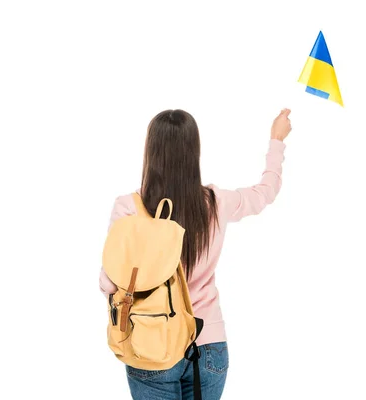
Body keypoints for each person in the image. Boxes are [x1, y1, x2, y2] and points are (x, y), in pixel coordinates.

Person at [99, 108, 292, 400]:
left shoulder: (129, 208)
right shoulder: (217, 202)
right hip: (208, 346)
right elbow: (266, 190)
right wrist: (276, 139)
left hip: (151, 342)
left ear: (151, 151)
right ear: (194, 152)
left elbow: (109, 283)